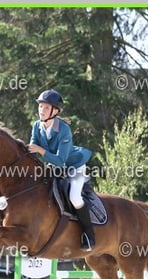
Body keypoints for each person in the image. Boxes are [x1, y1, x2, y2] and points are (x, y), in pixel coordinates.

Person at [27, 89, 95, 251]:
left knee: (74, 198)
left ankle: (89, 235)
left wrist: (40, 150)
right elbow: (32, 150)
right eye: (40, 106)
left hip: (74, 167)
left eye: (46, 107)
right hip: (54, 168)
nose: (42, 110)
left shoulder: (64, 129)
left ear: (55, 111)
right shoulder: (37, 126)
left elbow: (60, 161)